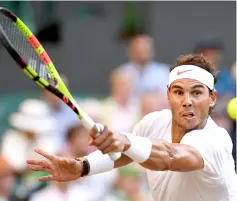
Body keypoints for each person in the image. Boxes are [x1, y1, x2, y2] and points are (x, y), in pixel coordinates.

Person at [27, 54, 237, 201]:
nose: (187, 101)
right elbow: (126, 155)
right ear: (168, 96)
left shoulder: (215, 139)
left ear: (212, 98)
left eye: (197, 93)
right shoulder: (154, 122)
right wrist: (82, 167)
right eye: (179, 92)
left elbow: (169, 156)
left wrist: (126, 142)